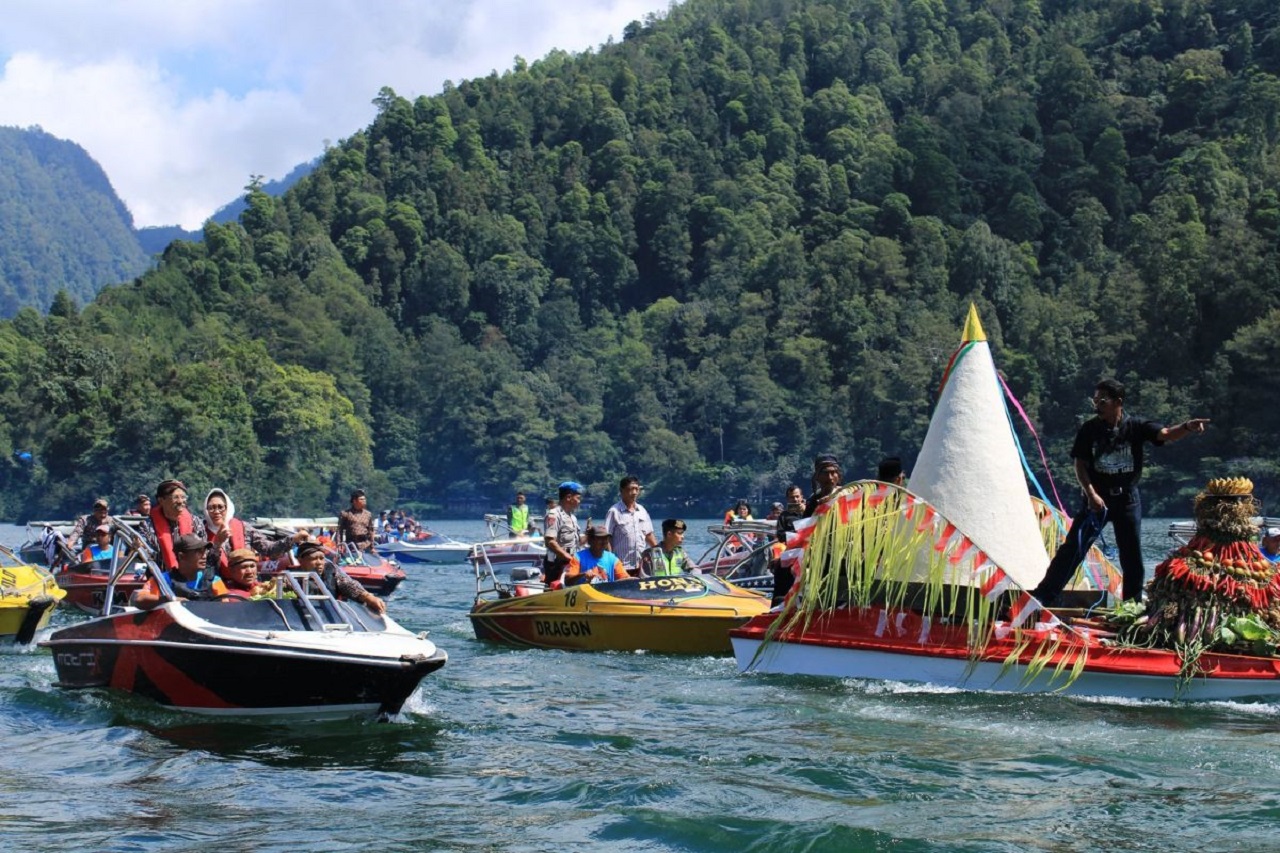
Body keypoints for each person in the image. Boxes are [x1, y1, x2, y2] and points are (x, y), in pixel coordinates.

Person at [1031, 378, 1210, 605]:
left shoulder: (1135, 426)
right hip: (1097, 499)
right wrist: (1091, 494)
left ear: (1118, 402)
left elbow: (1165, 433)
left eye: (1103, 401)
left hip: (1127, 499)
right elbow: (1080, 464)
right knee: (1073, 547)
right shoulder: (1089, 429)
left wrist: (1186, 427)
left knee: (1131, 556)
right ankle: (1044, 595)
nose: (1097, 405)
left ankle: (1131, 606)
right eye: (1095, 400)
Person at [203, 488, 303, 572]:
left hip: (245, 580)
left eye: (220, 507)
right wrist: (217, 544)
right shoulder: (201, 532)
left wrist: (293, 539)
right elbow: (204, 565)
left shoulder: (243, 527)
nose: (216, 511)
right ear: (206, 510)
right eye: (211, 508)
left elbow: (268, 549)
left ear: (228, 507)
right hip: (214, 583)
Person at [132, 533, 227, 610]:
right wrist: (171, 599)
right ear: (181, 556)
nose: (204, 556)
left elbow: (226, 607)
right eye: (198, 552)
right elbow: (138, 599)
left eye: (205, 551)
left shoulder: (214, 581)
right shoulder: (163, 580)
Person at [294, 540, 386, 614]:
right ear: (300, 560)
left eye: (321, 558)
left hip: (331, 616)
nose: (319, 563)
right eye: (313, 558)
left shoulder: (332, 572)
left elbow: (349, 584)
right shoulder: (290, 577)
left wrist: (368, 597)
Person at [142, 479, 206, 570]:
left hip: (192, 574)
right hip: (160, 575)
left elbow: (203, 551)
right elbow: (146, 555)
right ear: (161, 500)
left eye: (183, 497)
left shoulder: (196, 522)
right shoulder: (147, 526)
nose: (180, 501)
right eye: (175, 497)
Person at [605, 476, 657, 573]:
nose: (634, 492)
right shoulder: (614, 511)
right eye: (630, 489)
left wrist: (658, 553)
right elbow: (607, 538)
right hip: (621, 566)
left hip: (641, 565)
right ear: (621, 491)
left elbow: (649, 534)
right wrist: (610, 562)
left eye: (636, 489)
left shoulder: (642, 510)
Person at [543, 481, 584, 585]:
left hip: (571, 562)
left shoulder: (572, 517)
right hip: (557, 563)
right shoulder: (554, 515)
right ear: (569, 497)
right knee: (554, 590)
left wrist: (589, 534)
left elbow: (578, 542)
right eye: (578, 498)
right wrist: (568, 557)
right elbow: (550, 542)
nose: (579, 501)